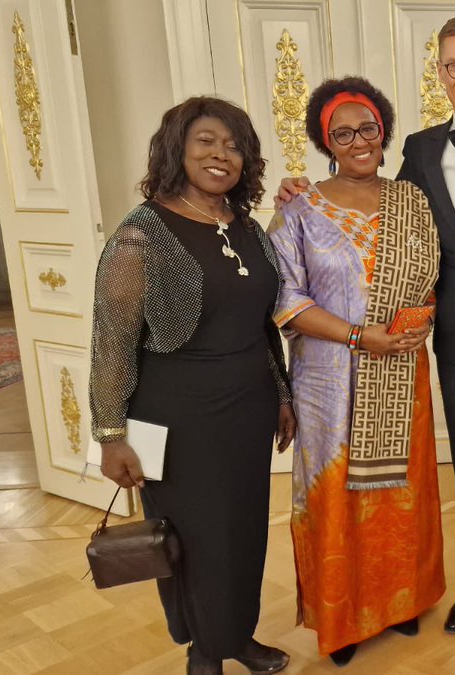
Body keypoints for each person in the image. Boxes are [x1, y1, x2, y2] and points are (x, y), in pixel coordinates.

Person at [280, 15, 455, 641]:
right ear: (440, 73)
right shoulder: (415, 149)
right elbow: (377, 213)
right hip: (453, 340)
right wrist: (297, 189)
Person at [89, 96, 295, 675]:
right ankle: (205, 650)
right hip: (179, 419)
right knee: (195, 539)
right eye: (206, 141)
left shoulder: (246, 226)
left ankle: (238, 635)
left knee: (244, 532)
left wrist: (281, 394)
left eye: (233, 146)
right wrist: (110, 434)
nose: (220, 154)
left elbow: (262, 327)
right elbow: (112, 341)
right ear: (177, 147)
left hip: (247, 409)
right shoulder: (142, 235)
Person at [267, 77, 444, 666]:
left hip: (400, 373)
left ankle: (402, 603)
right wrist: (357, 336)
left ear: (383, 130)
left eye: (367, 128)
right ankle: (342, 621)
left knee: (402, 491)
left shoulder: (411, 201)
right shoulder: (299, 208)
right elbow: (285, 301)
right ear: (327, 141)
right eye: (341, 133)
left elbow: (432, 279)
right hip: (327, 384)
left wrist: (422, 320)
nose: (357, 141)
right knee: (337, 498)